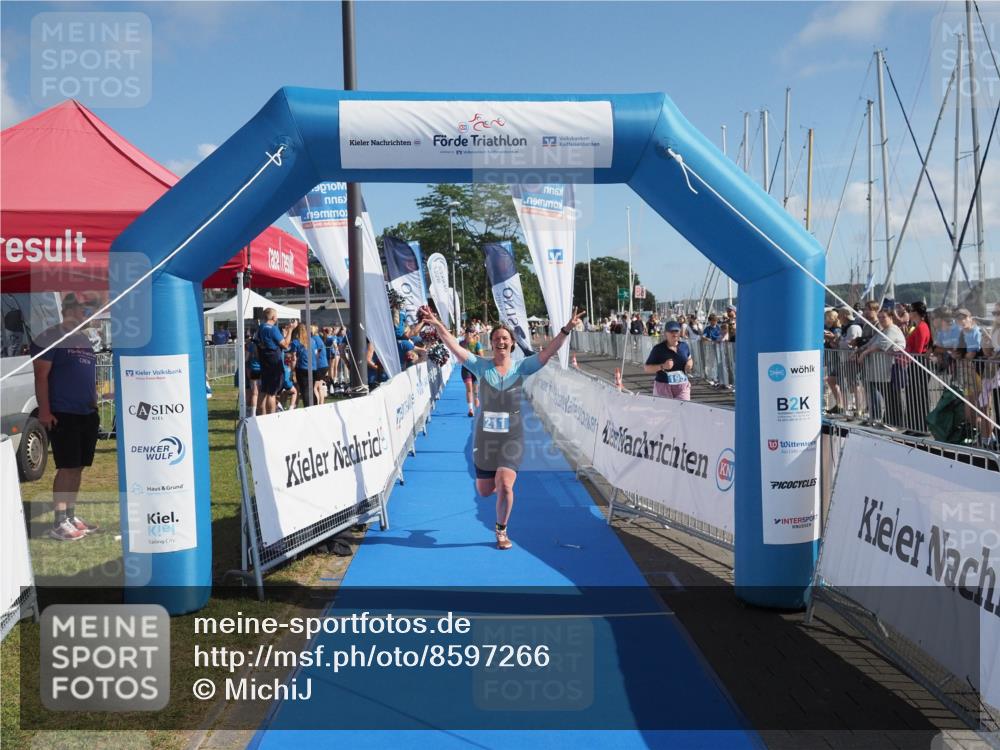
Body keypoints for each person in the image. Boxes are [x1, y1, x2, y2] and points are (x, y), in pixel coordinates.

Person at [422, 304, 587, 550]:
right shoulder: (480, 365)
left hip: (512, 437)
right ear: (491, 343)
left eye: (505, 338)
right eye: (497, 338)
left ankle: (501, 530)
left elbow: (548, 352)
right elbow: (454, 347)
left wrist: (566, 329)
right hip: (485, 439)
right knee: (485, 491)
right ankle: (493, 485)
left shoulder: (522, 367)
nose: (501, 341)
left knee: (506, 486)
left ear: (512, 344)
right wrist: (437, 325)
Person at [30, 293, 100, 541]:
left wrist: (94, 401)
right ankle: (59, 522)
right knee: (67, 467)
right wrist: (45, 410)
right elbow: (41, 376)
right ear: (69, 309)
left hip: (87, 413)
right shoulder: (50, 337)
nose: (88, 314)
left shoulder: (84, 339)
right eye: (84, 309)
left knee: (78, 467)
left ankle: (70, 516)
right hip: (63, 413)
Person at [857, 308, 905, 427]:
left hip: (889, 369)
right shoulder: (883, 331)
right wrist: (858, 350)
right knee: (888, 398)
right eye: (879, 317)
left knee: (892, 397)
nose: (881, 320)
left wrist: (864, 353)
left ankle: (896, 422)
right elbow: (871, 343)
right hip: (879, 371)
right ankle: (888, 420)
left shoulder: (892, 330)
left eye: (884, 317)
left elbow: (882, 345)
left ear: (891, 317)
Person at [255, 310, 293, 415]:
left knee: (263, 391)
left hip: (264, 362)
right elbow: (285, 345)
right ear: (273, 317)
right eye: (276, 315)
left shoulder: (260, 328)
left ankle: (261, 416)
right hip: (274, 363)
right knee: (271, 393)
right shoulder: (273, 329)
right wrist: (290, 331)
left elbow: (256, 344)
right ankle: (271, 416)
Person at [644, 320, 693, 400]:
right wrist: (663, 366)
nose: (674, 334)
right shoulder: (658, 349)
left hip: (682, 386)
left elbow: (689, 358)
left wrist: (689, 363)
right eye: (671, 331)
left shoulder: (684, 346)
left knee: (684, 407)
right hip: (663, 386)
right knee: (664, 408)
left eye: (676, 331)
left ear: (680, 332)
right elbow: (647, 368)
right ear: (665, 333)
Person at [460, 327, 484, 417]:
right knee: (469, 389)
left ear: (473, 334)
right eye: (468, 332)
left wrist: (470, 354)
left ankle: (477, 407)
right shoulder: (461, 343)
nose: (469, 334)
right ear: (465, 334)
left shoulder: (477, 344)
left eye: (471, 332)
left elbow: (481, 357)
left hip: (475, 369)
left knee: (475, 391)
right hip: (466, 368)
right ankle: (470, 409)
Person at [289, 323, 314, 407]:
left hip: (302, 368)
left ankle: (307, 407)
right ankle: (313, 406)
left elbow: (293, 358)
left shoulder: (295, 342)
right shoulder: (312, 341)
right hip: (312, 367)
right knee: (311, 389)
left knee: (304, 390)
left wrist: (292, 371)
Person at [310, 325, 329, 405]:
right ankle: (321, 404)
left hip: (319, 366)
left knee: (314, 387)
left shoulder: (313, 339)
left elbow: (317, 351)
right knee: (319, 386)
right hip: (324, 365)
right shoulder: (319, 338)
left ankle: (317, 404)